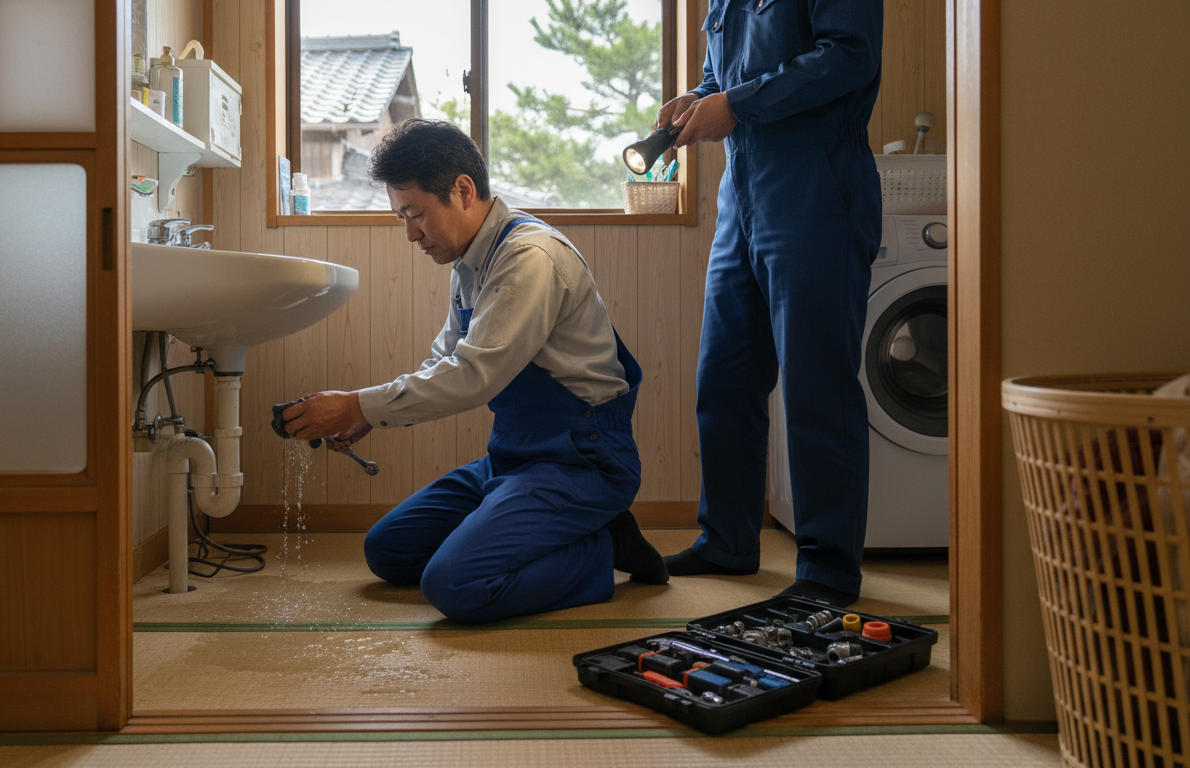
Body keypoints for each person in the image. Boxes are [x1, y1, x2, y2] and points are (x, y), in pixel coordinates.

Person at [275, 119, 668, 625]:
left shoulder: (528, 257)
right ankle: (543, 527)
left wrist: (356, 403)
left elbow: (473, 375)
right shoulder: (470, 263)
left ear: (462, 190)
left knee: (454, 585)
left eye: (415, 214)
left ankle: (599, 548)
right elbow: (443, 359)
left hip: (583, 460)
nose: (411, 234)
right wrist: (368, 417)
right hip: (512, 458)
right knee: (387, 551)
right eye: (401, 218)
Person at [656, 0, 884, 607]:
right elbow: (723, 79)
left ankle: (829, 568)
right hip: (744, 188)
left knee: (817, 385)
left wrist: (738, 103)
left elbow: (851, 56)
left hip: (817, 179)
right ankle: (727, 540)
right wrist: (697, 99)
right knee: (724, 378)